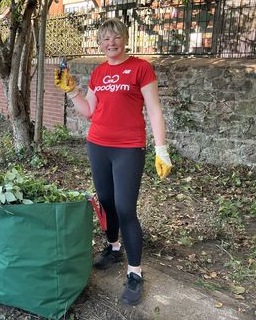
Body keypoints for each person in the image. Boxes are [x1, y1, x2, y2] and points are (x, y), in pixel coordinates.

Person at [55, 18, 172, 306]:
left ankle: (134, 273)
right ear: (100, 43)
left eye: (116, 37)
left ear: (125, 39)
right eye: (105, 38)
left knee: (125, 208)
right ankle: (114, 247)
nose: (111, 43)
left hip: (128, 148)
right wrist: (72, 91)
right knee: (106, 201)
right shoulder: (98, 72)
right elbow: (89, 112)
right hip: (98, 145)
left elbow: (154, 110)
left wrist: (161, 148)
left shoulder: (141, 68)